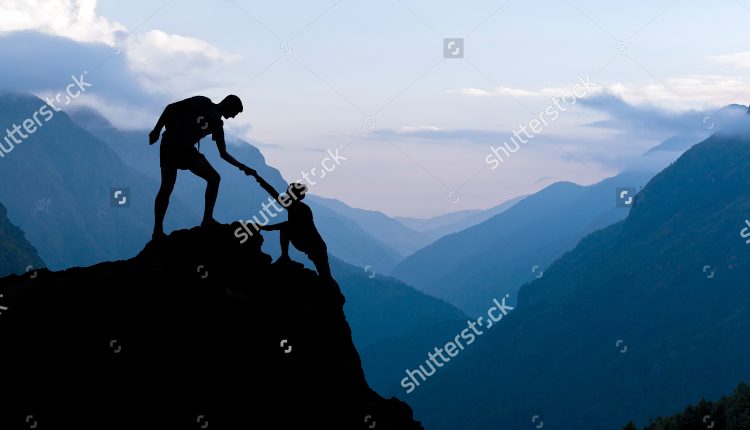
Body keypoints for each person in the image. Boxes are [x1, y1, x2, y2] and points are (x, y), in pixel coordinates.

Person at [149, 95, 255, 240]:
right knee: (168, 186)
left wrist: (243, 167)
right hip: (173, 143)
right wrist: (156, 130)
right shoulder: (202, 102)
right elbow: (170, 108)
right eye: (234, 112)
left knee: (212, 179)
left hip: (181, 147)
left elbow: (223, 153)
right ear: (228, 103)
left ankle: (205, 220)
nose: (233, 117)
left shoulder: (218, 125)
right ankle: (159, 230)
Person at [247, 172, 334, 283]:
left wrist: (267, 227)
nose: (286, 194)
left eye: (289, 192)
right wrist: (258, 178)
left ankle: (330, 292)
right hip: (306, 242)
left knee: (326, 277)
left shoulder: (303, 209)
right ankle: (284, 256)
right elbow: (274, 193)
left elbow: (290, 225)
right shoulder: (292, 205)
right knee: (324, 276)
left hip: (316, 247)